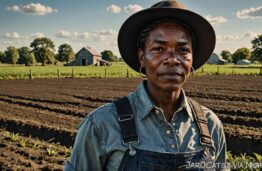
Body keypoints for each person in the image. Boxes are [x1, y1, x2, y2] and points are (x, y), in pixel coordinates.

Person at [65, 0, 227, 170]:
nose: (172, 59)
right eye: (158, 49)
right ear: (142, 57)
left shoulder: (210, 125)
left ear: (192, 58)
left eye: (183, 50)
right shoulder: (102, 124)